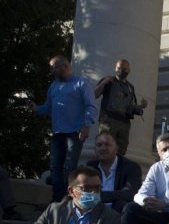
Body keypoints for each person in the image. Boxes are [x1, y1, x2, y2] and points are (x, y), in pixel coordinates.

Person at [29, 55, 98, 202]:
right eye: (51, 68)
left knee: (69, 168)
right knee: (55, 168)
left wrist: (86, 125)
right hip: (57, 133)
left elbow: (91, 106)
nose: (52, 71)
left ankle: (69, 200)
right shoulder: (53, 86)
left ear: (65, 66)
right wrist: (36, 108)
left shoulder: (81, 83)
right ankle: (56, 201)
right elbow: (48, 107)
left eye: (54, 67)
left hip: (75, 133)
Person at [94, 59, 148, 156]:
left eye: (124, 69)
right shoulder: (109, 80)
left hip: (124, 123)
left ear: (129, 70)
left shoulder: (130, 87)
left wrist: (141, 106)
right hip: (109, 121)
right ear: (115, 68)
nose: (121, 71)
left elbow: (130, 107)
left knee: (120, 152)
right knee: (105, 149)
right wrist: (104, 83)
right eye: (119, 68)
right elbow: (94, 94)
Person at [86, 132, 142, 214]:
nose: (103, 148)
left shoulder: (131, 167)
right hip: (95, 211)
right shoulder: (90, 166)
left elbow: (130, 193)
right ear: (95, 149)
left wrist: (100, 197)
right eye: (99, 145)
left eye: (107, 144)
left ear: (116, 149)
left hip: (118, 213)